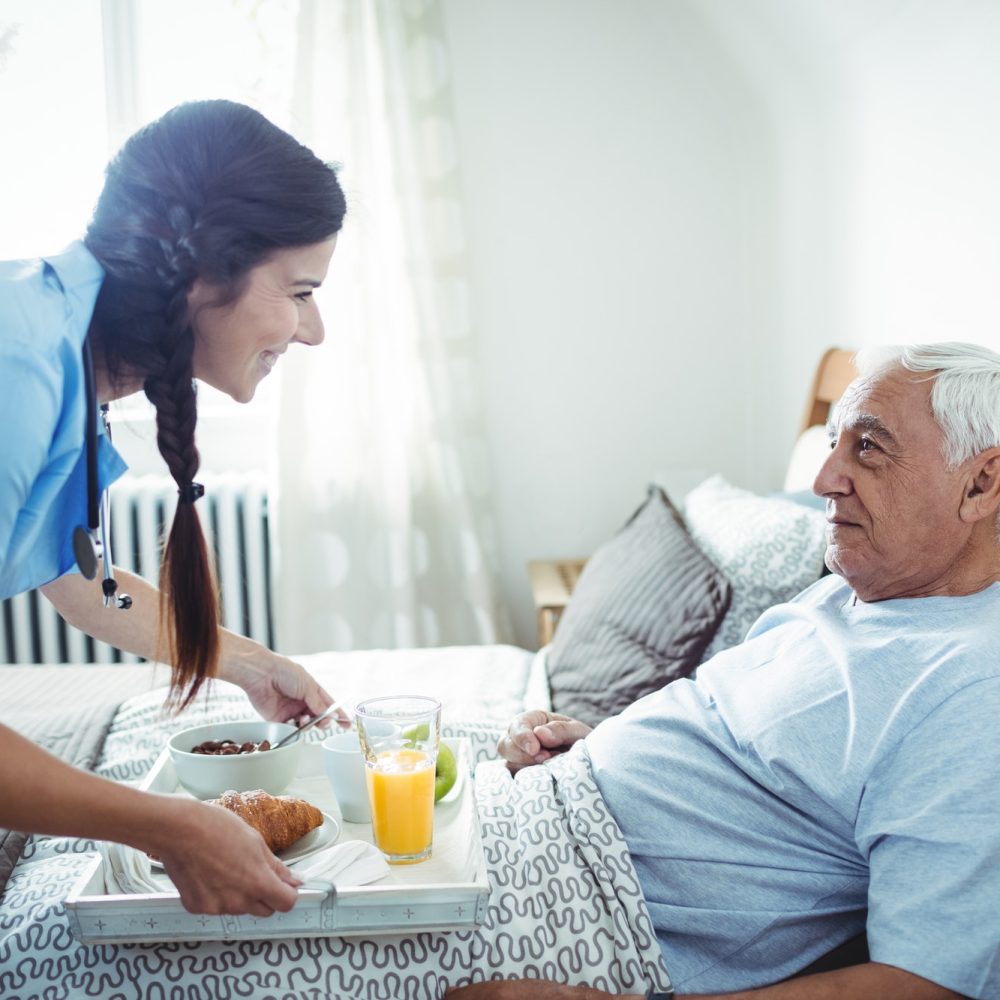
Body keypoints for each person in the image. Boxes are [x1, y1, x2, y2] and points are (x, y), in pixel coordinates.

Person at [446, 342, 1000, 999]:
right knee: (325, 771)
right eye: (833, 444)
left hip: (578, 904)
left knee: (297, 918)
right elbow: (750, 765)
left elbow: (925, 981)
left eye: (869, 448)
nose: (824, 480)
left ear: (981, 483)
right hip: (537, 807)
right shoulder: (854, 591)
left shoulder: (972, 687)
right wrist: (600, 749)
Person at [0, 99, 349, 917]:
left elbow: (79, 579)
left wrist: (257, 667)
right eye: (300, 290)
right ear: (202, 274)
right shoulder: (18, 363)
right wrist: (170, 828)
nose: (315, 330)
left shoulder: (70, 354)